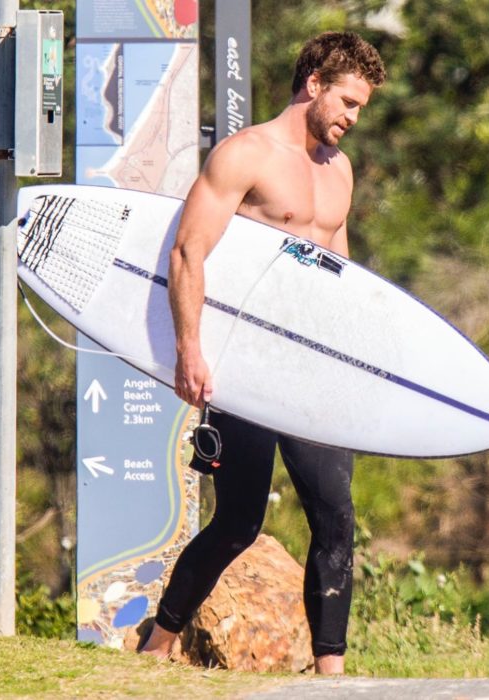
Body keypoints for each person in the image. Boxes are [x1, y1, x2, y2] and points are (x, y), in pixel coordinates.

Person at [141, 31, 386, 674]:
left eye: (360, 108)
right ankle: (155, 646)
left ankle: (332, 675)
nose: (352, 119)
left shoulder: (341, 172)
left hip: (306, 370)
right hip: (241, 366)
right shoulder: (245, 155)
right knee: (238, 523)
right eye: (348, 103)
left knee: (335, 516)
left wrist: (351, 362)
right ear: (314, 85)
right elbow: (187, 252)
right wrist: (190, 352)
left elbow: (341, 272)